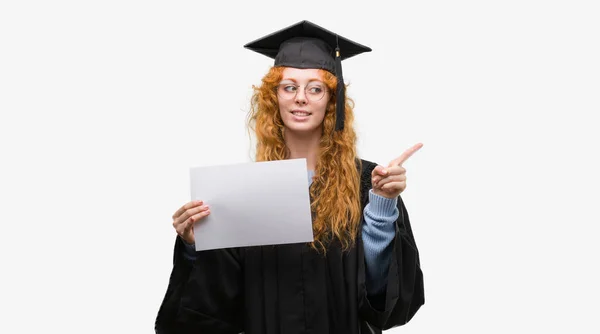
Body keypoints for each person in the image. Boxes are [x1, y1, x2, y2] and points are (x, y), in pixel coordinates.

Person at [155, 20, 425, 334]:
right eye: (289, 87)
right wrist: (194, 245)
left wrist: (382, 207)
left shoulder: (369, 181)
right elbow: (214, 308)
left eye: (315, 88)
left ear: (331, 101)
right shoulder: (245, 192)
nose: (301, 97)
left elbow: (383, 303)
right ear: (274, 98)